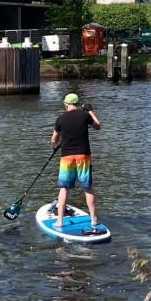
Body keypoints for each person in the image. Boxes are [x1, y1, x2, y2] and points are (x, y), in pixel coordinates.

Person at [50, 92, 102, 230]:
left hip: (67, 157)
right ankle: (94, 220)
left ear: (65, 105)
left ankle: (60, 221)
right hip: (83, 156)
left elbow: (54, 139)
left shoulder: (60, 119)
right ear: (78, 105)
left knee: (64, 189)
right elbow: (98, 126)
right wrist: (90, 111)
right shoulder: (85, 116)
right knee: (87, 188)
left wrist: (55, 146)